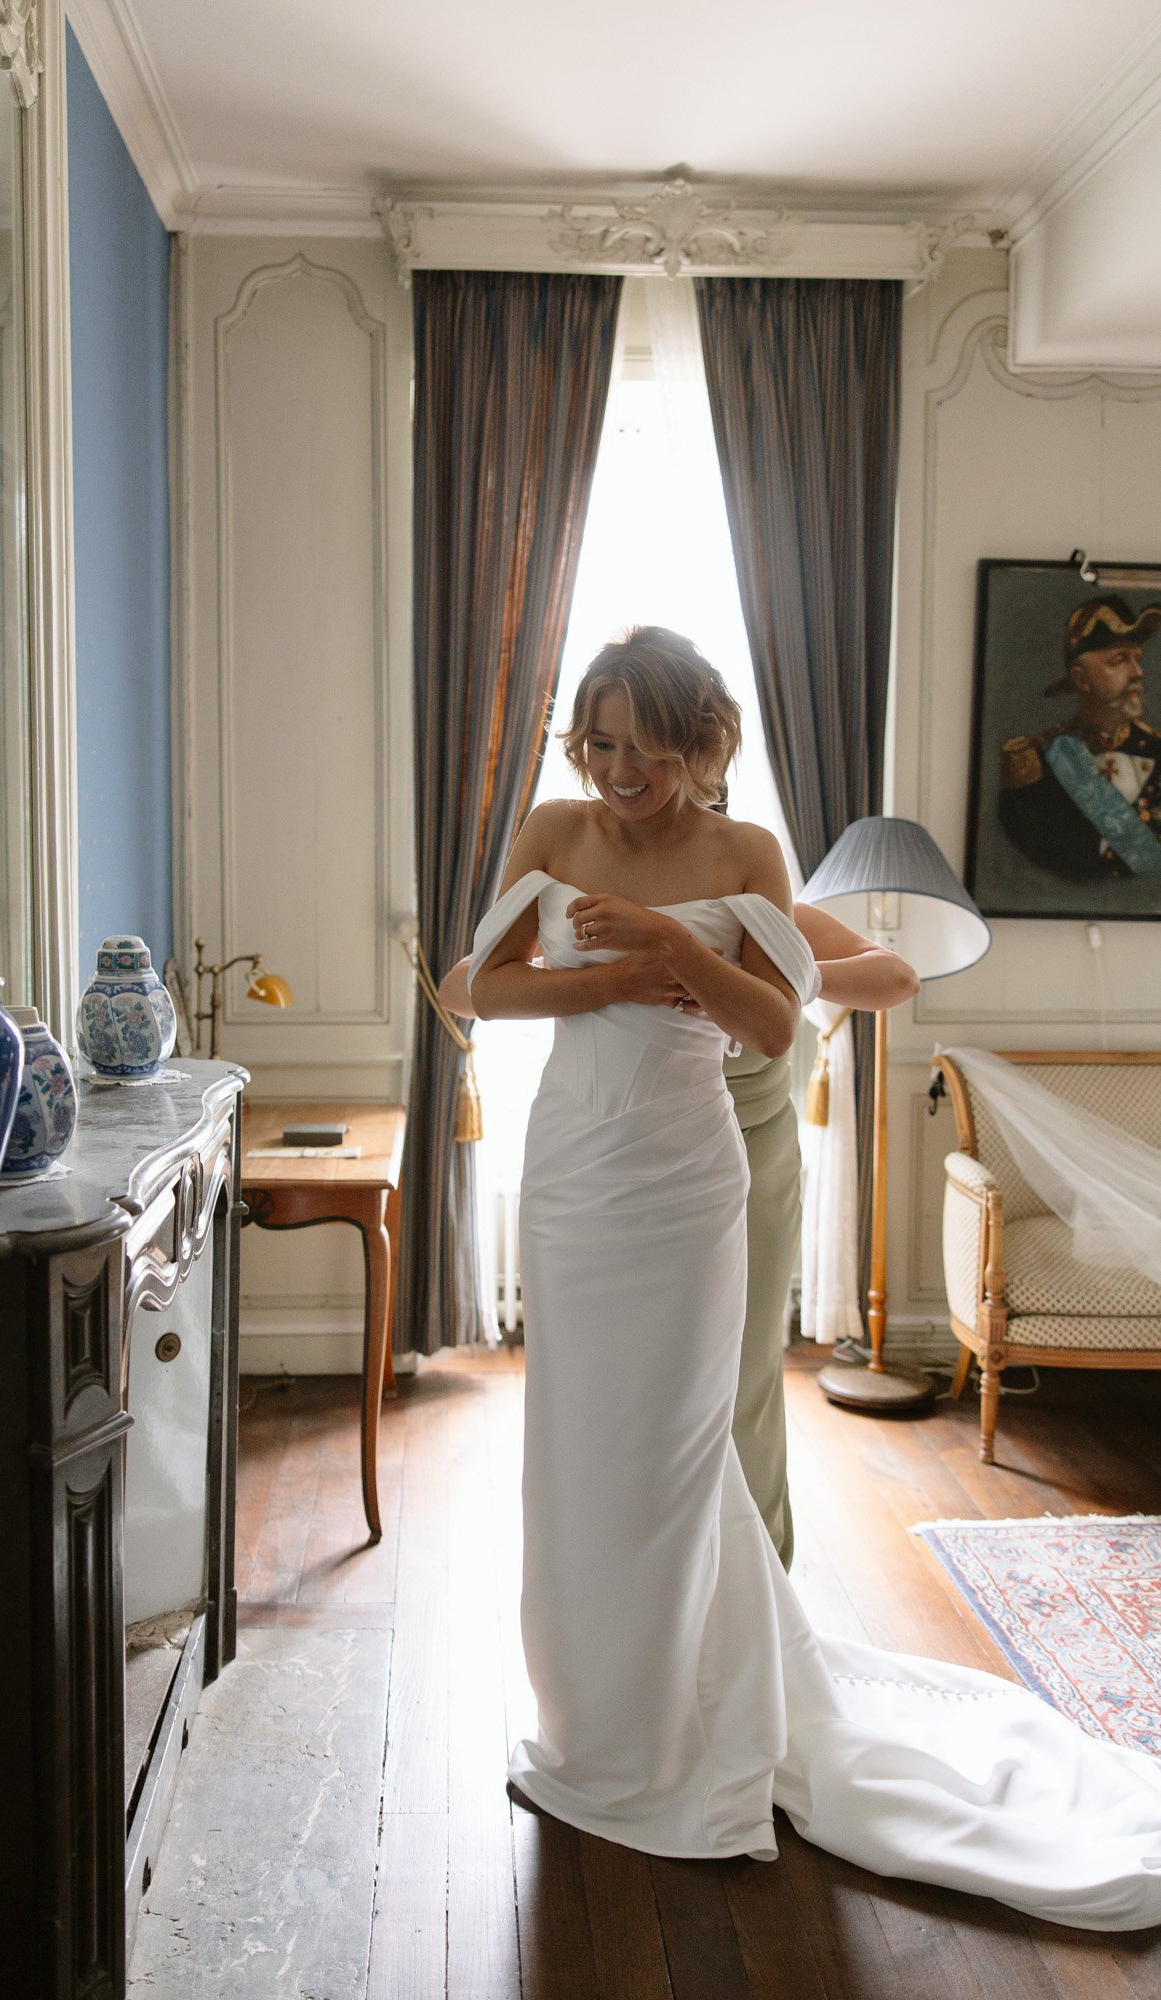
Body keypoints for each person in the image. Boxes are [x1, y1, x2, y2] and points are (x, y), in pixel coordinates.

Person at [461, 625, 1161, 1927]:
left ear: (699, 741)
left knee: (680, 1447)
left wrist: (680, 956)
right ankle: (594, 1720)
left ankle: (691, 1716)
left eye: (646, 744)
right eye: (599, 741)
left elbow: (785, 1020)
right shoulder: (551, 829)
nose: (619, 767)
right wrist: (618, 967)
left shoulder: (744, 856)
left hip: (684, 1180)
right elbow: (479, 989)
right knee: (573, 1452)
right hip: (567, 1179)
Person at [438, 811, 918, 1571]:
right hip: (614, 1150)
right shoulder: (583, 888)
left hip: (742, 1152)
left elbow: (896, 977)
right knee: (623, 1378)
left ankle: (757, 1568)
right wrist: (594, 980)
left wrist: (761, 973)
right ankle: (635, 1569)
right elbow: (468, 984)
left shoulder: (756, 907)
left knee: (745, 1366)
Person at [999, 595, 1161, 879]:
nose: (1138, 672)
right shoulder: (1040, 764)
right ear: (1082, 678)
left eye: (1136, 659)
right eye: (1119, 660)